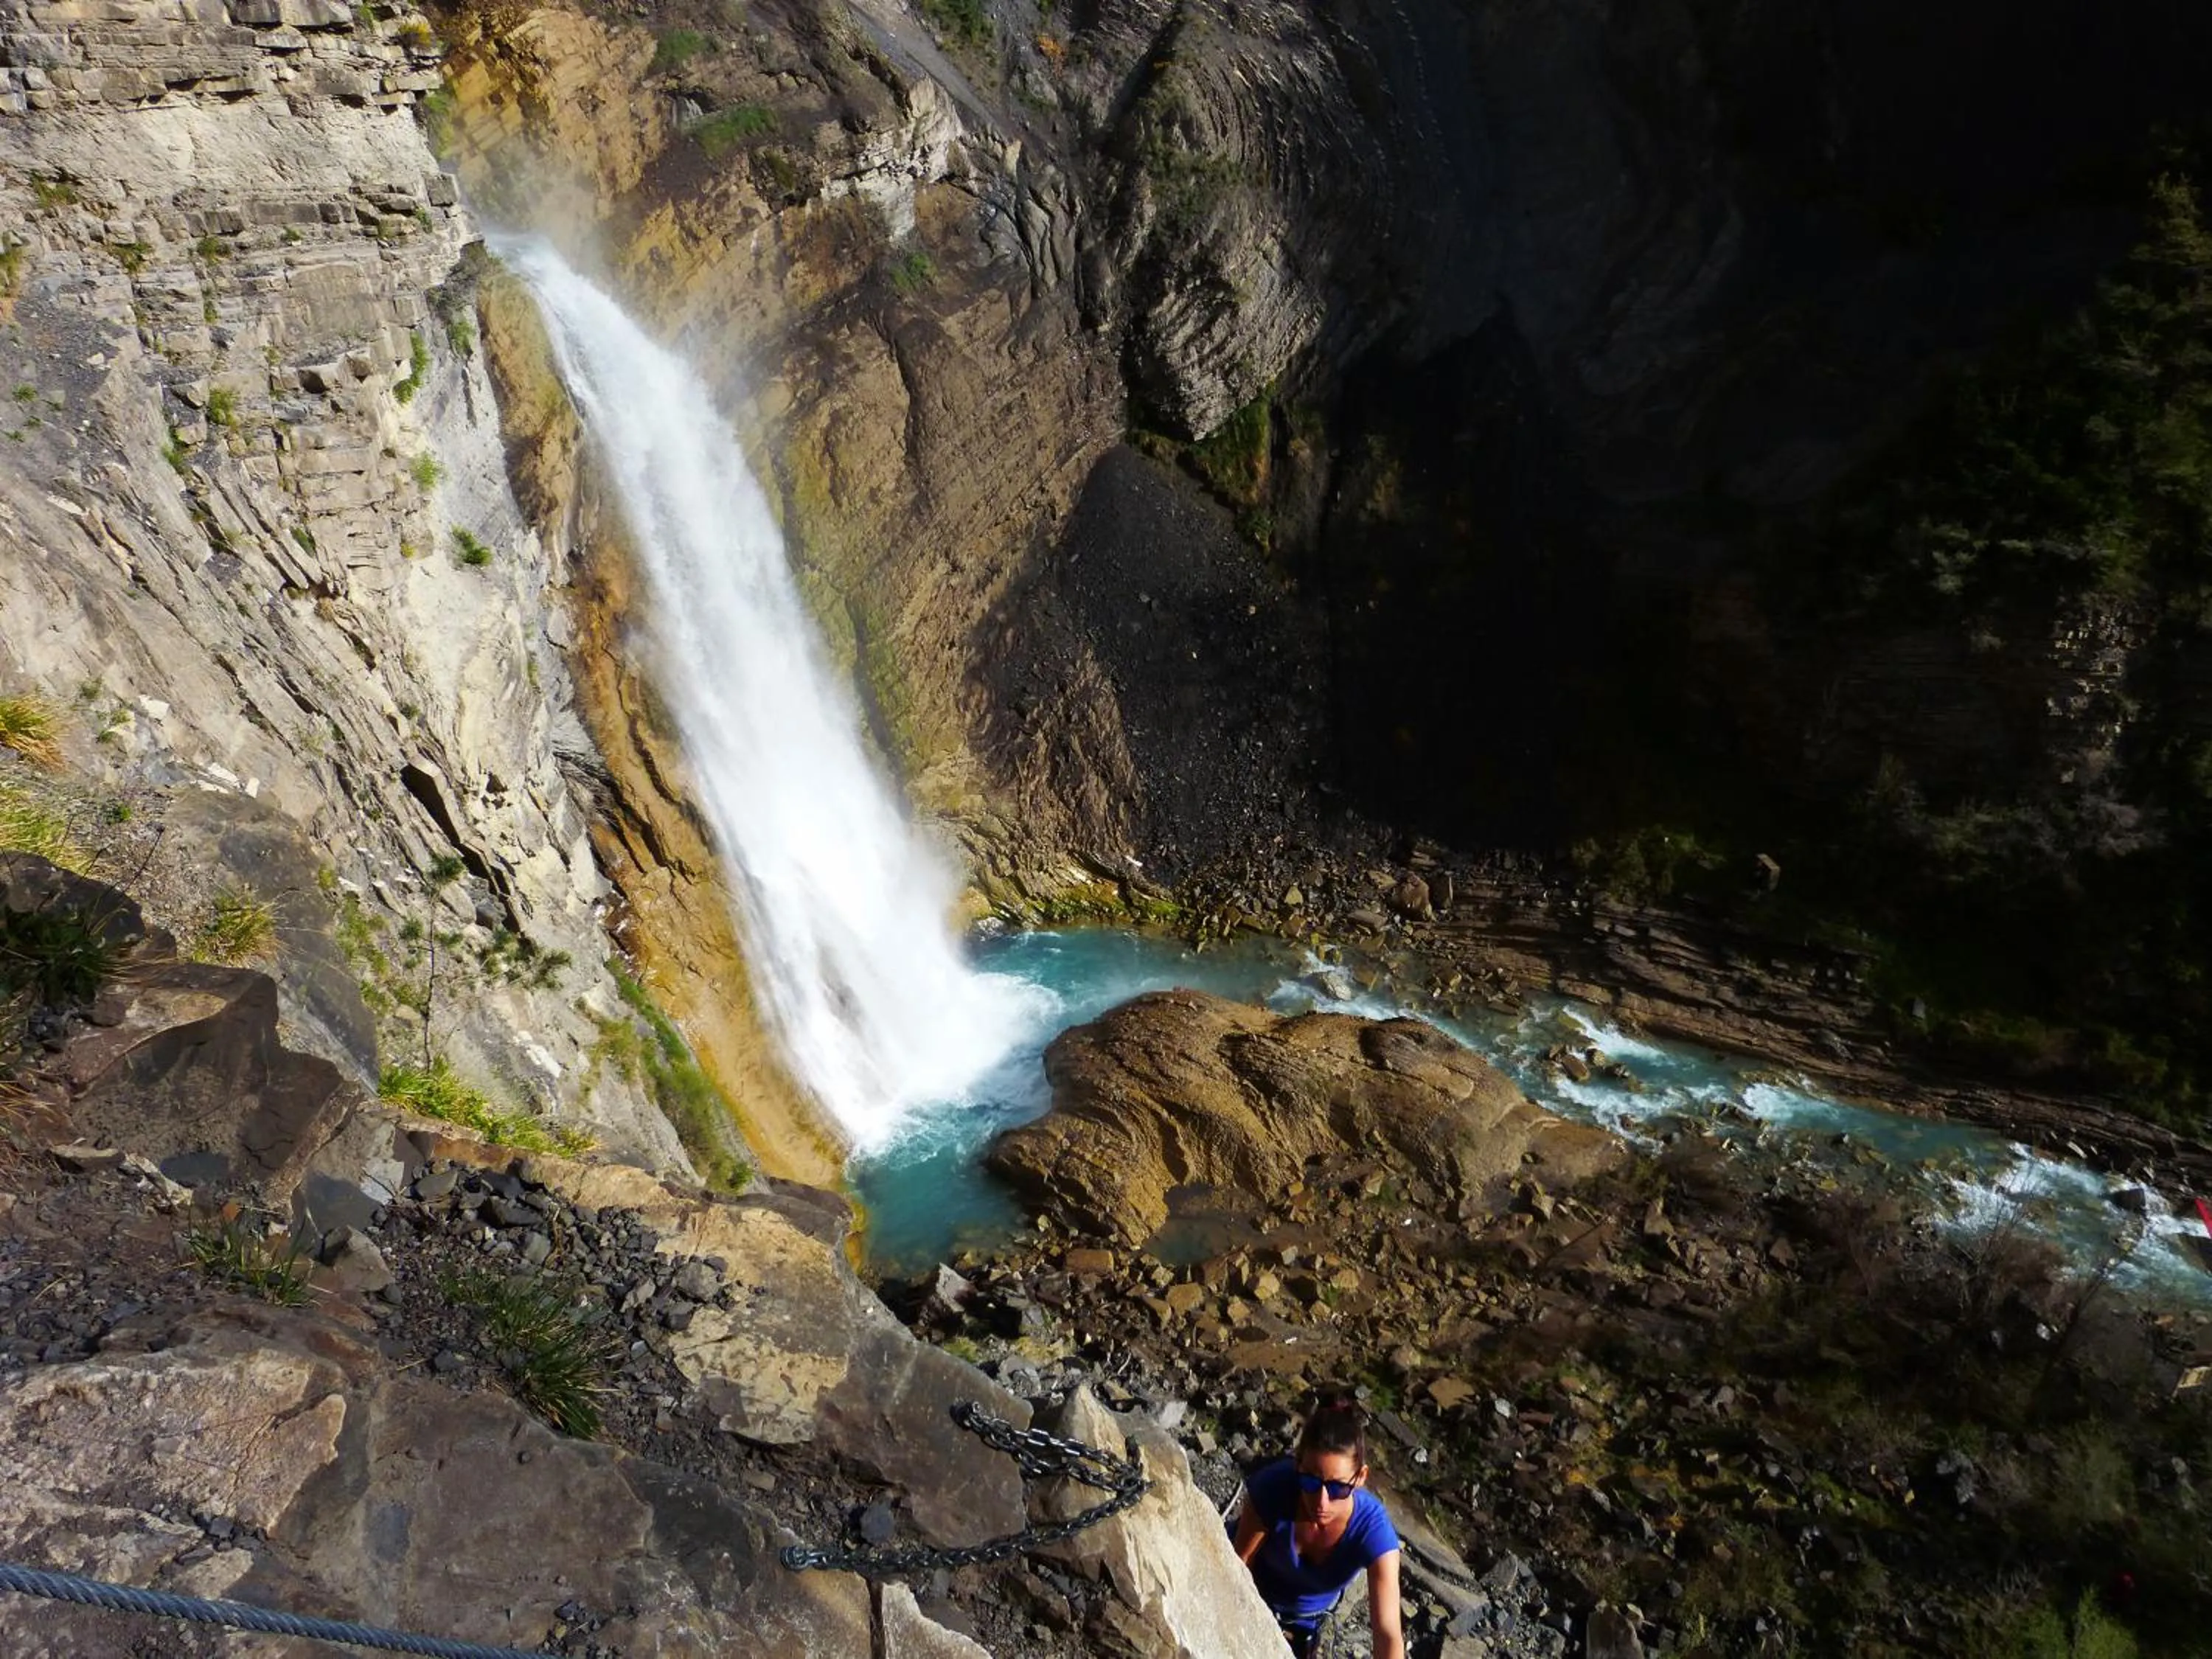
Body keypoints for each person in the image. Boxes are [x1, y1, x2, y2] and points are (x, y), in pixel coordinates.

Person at [1230, 1390, 1405, 1658]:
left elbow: (1388, 1633)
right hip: (1253, 1595)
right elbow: (1238, 1568)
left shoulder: (1374, 1531)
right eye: (1311, 1482)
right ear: (1298, 1464)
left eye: (1337, 1488)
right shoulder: (1274, 1488)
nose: (1322, 1501)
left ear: (1360, 1477)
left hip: (1306, 1621)